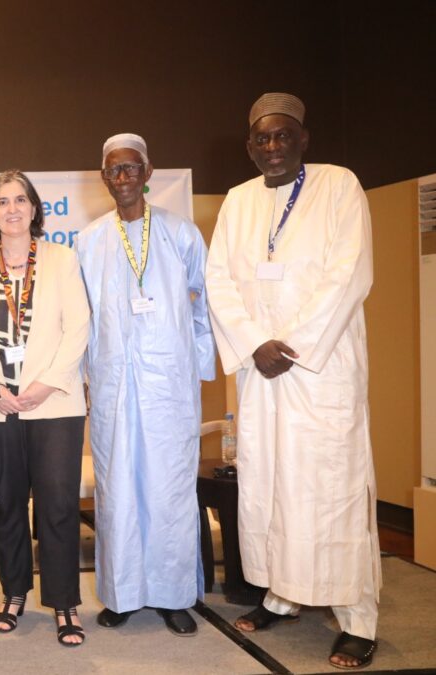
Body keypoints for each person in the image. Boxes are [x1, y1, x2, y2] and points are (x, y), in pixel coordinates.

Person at [205, 93, 380, 670]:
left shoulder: (339, 185)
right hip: (260, 371)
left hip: (319, 370)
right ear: (250, 145)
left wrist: (294, 345)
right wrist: (255, 342)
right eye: (262, 139)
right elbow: (220, 282)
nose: (272, 147)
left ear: (303, 138)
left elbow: (348, 273)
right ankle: (282, 596)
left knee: (332, 491)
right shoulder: (237, 200)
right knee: (272, 488)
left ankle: (358, 618)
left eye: (283, 136)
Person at [77, 134, 216, 638]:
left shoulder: (182, 233)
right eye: (114, 170)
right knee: (117, 489)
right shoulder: (89, 241)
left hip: (169, 384)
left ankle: (173, 595)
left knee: (169, 487)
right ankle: (122, 594)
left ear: (148, 171)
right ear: (104, 178)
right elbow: (82, 319)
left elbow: (204, 306)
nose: (123, 177)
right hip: (113, 382)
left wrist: (197, 367)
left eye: (131, 167)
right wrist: (84, 380)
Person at [0, 170, 90, 646]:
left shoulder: (62, 259)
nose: (13, 209)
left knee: (58, 507)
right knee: (8, 507)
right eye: (3, 201)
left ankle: (64, 602)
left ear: (36, 209)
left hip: (55, 405)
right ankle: (14, 593)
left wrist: (45, 384)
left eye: (21, 200)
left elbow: (78, 327)